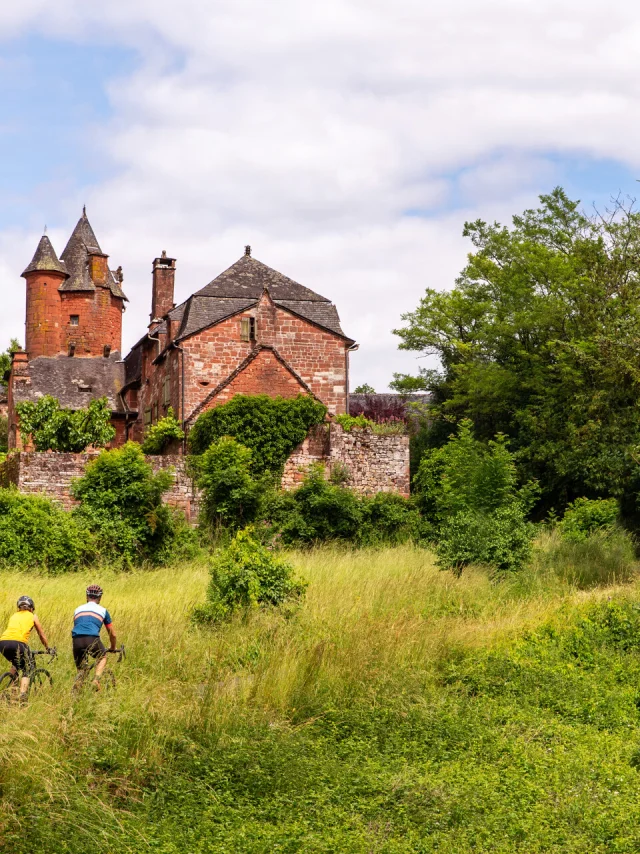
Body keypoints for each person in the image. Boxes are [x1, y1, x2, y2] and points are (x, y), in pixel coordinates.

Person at [0, 596, 50, 702]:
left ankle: (10, 691)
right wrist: (48, 648)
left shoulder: (14, 615)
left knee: (16, 663)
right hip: (18, 643)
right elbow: (42, 635)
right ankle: (22, 694)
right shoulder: (33, 616)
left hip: (3, 643)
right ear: (31, 608)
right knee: (28, 667)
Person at [71, 585, 117, 689]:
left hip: (76, 640)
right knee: (102, 657)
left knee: (82, 670)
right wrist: (113, 647)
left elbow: (79, 626)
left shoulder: (78, 609)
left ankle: (77, 694)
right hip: (91, 638)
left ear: (87, 597)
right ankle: (96, 680)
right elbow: (113, 634)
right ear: (100, 598)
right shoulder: (103, 611)